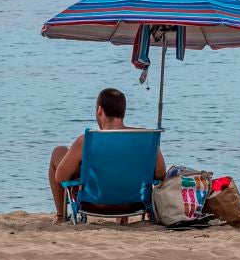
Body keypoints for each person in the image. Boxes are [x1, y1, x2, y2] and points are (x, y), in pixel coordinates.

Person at [48, 88, 166, 223]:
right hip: (133, 203)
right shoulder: (146, 138)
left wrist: (82, 171)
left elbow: (60, 177)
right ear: (123, 113)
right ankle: (122, 219)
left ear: (99, 110)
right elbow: (161, 173)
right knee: (123, 164)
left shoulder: (86, 141)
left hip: (94, 203)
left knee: (58, 152)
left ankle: (61, 217)